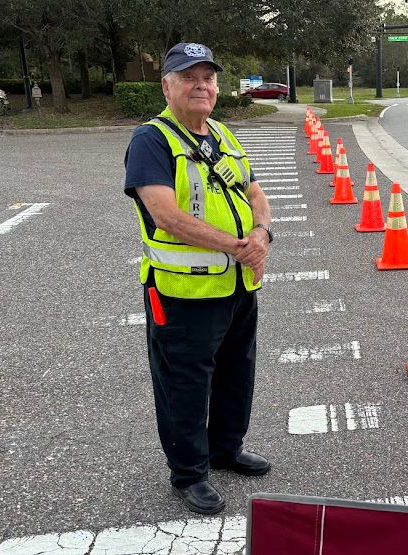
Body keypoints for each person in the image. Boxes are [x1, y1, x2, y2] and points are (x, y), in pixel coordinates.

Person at [123, 42, 274, 515]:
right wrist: (237, 245)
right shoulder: (152, 140)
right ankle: (189, 473)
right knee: (184, 386)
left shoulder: (223, 135)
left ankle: (225, 449)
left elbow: (255, 192)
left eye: (208, 77)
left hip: (237, 285)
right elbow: (165, 215)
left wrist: (263, 233)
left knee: (235, 374)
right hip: (181, 291)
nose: (201, 85)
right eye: (189, 76)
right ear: (167, 85)